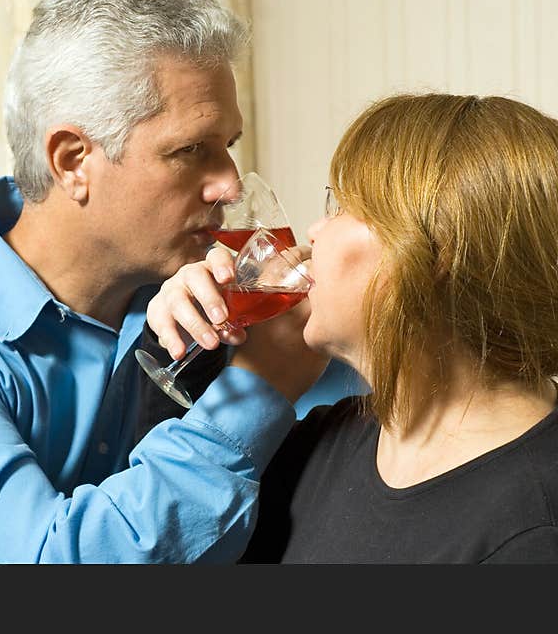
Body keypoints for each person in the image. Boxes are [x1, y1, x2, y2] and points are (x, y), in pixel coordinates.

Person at [0, 0, 357, 564]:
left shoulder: (198, 292)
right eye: (190, 151)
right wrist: (256, 387)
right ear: (73, 162)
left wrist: (325, 311)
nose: (230, 183)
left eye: (228, 145)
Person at [148, 93, 558, 562]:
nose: (316, 230)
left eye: (341, 205)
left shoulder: (535, 532)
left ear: (436, 250)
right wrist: (185, 339)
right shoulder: (319, 445)